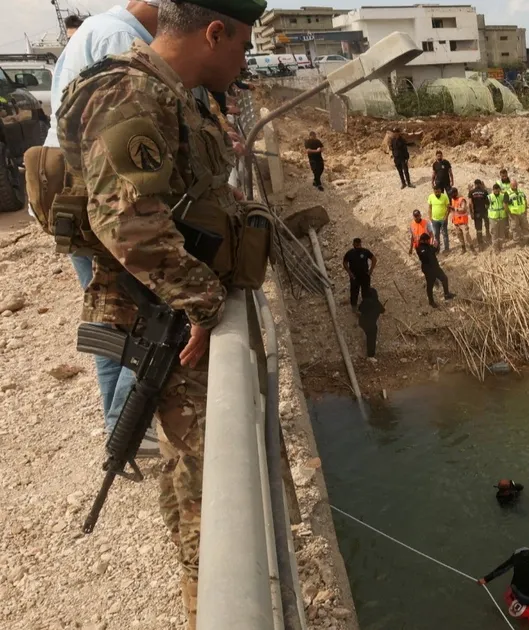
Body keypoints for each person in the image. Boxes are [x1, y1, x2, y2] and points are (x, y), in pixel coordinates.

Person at [55, 0, 267, 624]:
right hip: (161, 321)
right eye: (243, 45)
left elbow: (184, 192)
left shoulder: (177, 95)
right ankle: (217, 601)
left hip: (168, 317)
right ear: (214, 31)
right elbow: (126, 221)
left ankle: (203, 586)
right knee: (207, 493)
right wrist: (203, 303)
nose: (245, 60)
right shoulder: (130, 91)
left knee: (189, 476)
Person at [43, 0, 160, 440]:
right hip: (101, 199)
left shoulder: (97, 28)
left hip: (78, 198)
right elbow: (126, 144)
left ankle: (120, 422)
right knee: (141, 311)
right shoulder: (120, 40)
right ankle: (129, 425)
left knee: (108, 315)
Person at [416, 233, 455, 307]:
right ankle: (431, 302)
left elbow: (434, 251)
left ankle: (446, 294)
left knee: (444, 278)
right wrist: (434, 247)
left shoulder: (427, 246)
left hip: (435, 267)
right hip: (428, 270)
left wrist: (436, 246)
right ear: (424, 241)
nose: (429, 241)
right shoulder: (420, 248)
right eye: (428, 240)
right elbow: (427, 255)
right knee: (430, 286)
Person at [342, 238, 375, 309]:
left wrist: (370, 270)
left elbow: (374, 259)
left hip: (365, 276)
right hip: (354, 277)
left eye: (359, 244)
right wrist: (349, 273)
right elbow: (345, 262)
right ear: (353, 244)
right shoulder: (350, 253)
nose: (358, 246)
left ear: (360, 244)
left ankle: (366, 307)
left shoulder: (365, 252)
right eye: (356, 245)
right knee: (354, 293)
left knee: (366, 292)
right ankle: (354, 307)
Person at [357, 288, 384, 359]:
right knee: (371, 339)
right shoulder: (377, 303)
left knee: (366, 335)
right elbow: (382, 310)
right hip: (371, 325)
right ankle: (371, 355)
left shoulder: (365, 301)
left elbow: (360, 309)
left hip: (362, 322)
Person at [427, 184, 452, 253]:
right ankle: (437, 250)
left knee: (445, 234)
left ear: (440, 190)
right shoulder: (431, 197)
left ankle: (447, 249)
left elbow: (448, 208)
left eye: (438, 192)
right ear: (433, 191)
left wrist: (446, 217)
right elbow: (429, 208)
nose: (437, 193)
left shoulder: (444, 197)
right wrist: (430, 218)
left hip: (443, 220)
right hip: (434, 220)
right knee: (436, 235)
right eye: (435, 192)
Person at [449, 188, 474, 253]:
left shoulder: (462, 200)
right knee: (459, 235)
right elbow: (453, 211)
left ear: (456, 193)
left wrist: (455, 208)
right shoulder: (452, 200)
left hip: (463, 221)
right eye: (450, 194)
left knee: (466, 235)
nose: (451, 195)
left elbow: (464, 209)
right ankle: (463, 248)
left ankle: (472, 247)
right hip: (456, 222)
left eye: (452, 193)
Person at [488, 183, 510, 251]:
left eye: (498, 189)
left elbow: (506, 203)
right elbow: (486, 206)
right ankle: (495, 248)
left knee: (501, 233)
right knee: (494, 233)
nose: (496, 191)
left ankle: (501, 246)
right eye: (495, 190)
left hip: (502, 217)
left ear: (499, 189)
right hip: (493, 218)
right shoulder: (489, 197)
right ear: (493, 190)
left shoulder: (502, 196)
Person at [469, 179, 491, 247]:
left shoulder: (471, 192)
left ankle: (480, 242)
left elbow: (470, 203)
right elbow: (487, 203)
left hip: (476, 212)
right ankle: (488, 234)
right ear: (481, 184)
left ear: (475, 184)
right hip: (484, 211)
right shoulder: (484, 191)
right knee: (486, 223)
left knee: (478, 228)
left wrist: (471, 213)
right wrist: (487, 210)